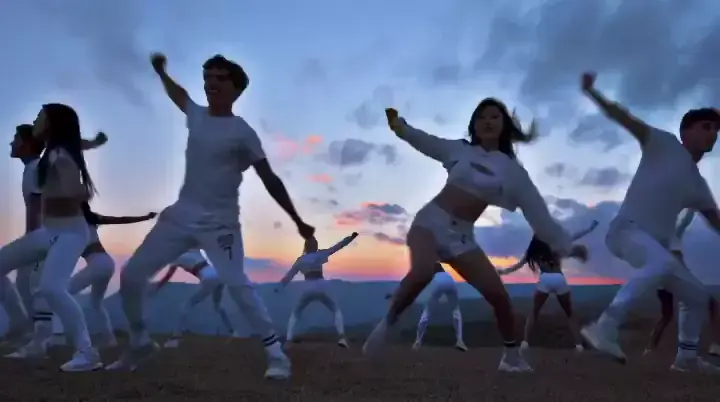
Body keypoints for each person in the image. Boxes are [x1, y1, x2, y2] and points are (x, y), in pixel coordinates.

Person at [107, 53, 315, 380]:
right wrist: (161, 73)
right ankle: (140, 342)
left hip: (220, 225)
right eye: (207, 77)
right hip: (179, 217)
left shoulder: (242, 132)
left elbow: (269, 178)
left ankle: (276, 355)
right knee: (132, 275)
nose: (210, 83)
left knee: (237, 284)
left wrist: (297, 220)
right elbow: (179, 95)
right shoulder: (197, 115)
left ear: (236, 88)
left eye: (219, 78)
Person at [363, 102, 588, 372]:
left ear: (505, 125)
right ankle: (388, 324)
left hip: (461, 237)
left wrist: (566, 246)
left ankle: (511, 358)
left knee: (500, 298)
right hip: (430, 222)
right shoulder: (460, 150)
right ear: (474, 125)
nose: (487, 121)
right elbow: (427, 142)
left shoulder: (513, 172)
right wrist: (400, 127)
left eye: (494, 116)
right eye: (481, 117)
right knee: (422, 271)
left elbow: (539, 215)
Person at [578, 71, 720, 373]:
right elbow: (624, 118)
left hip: (656, 249)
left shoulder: (698, 185)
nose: (713, 133)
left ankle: (686, 358)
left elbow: (716, 221)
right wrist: (593, 93)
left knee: (697, 297)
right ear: (686, 131)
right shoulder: (664, 143)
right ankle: (605, 326)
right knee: (662, 263)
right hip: (625, 231)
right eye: (706, 127)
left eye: (716, 129)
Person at [0, 105, 102, 371]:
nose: (35, 121)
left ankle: (87, 352)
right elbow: (76, 143)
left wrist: (73, 192)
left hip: (70, 233)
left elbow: (77, 189)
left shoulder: (57, 156)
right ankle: (23, 326)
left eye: (39, 118)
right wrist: (93, 143)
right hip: (49, 233)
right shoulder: (53, 152)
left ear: (51, 125)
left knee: (51, 288)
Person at [505, 220, 599, 353]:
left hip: (545, 279)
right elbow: (573, 236)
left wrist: (503, 272)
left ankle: (525, 343)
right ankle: (579, 345)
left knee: (534, 312)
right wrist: (590, 228)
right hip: (559, 278)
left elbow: (517, 266)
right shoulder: (555, 246)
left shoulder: (533, 251)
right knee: (569, 314)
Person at [643, 210, 720, 357]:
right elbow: (684, 222)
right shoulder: (669, 238)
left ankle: (650, 348)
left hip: (664, 283)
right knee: (711, 304)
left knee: (667, 316)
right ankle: (714, 345)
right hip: (674, 280)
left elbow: (684, 222)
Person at [275, 232, 358, 348]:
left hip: (308, 287)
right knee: (335, 309)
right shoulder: (320, 254)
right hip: (322, 286)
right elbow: (337, 247)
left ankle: (289, 339)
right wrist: (350, 238)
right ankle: (341, 337)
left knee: (296, 312)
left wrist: (279, 288)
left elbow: (289, 275)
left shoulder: (300, 260)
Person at [149, 248, 240, 348]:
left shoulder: (176, 258)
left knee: (185, 306)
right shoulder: (194, 250)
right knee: (217, 306)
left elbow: (167, 277)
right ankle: (232, 331)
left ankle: (176, 338)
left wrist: (156, 288)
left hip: (209, 279)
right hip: (219, 276)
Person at [411, 263, 468, 352]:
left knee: (427, 312)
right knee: (456, 311)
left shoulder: (433, 275)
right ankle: (460, 340)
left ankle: (418, 341)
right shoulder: (447, 275)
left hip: (438, 284)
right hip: (451, 284)